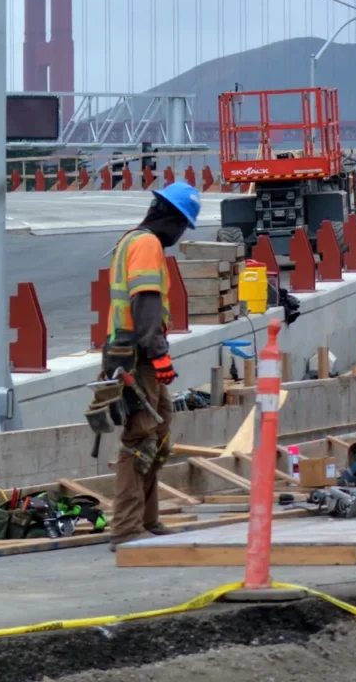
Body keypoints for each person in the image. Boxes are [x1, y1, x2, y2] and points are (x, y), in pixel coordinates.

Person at [104, 182, 199, 552]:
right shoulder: (146, 244)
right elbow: (144, 302)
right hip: (136, 355)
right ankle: (126, 528)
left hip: (134, 351)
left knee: (157, 434)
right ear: (172, 219)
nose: (180, 234)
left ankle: (148, 518)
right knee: (140, 438)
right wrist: (158, 353)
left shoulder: (135, 240)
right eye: (183, 225)